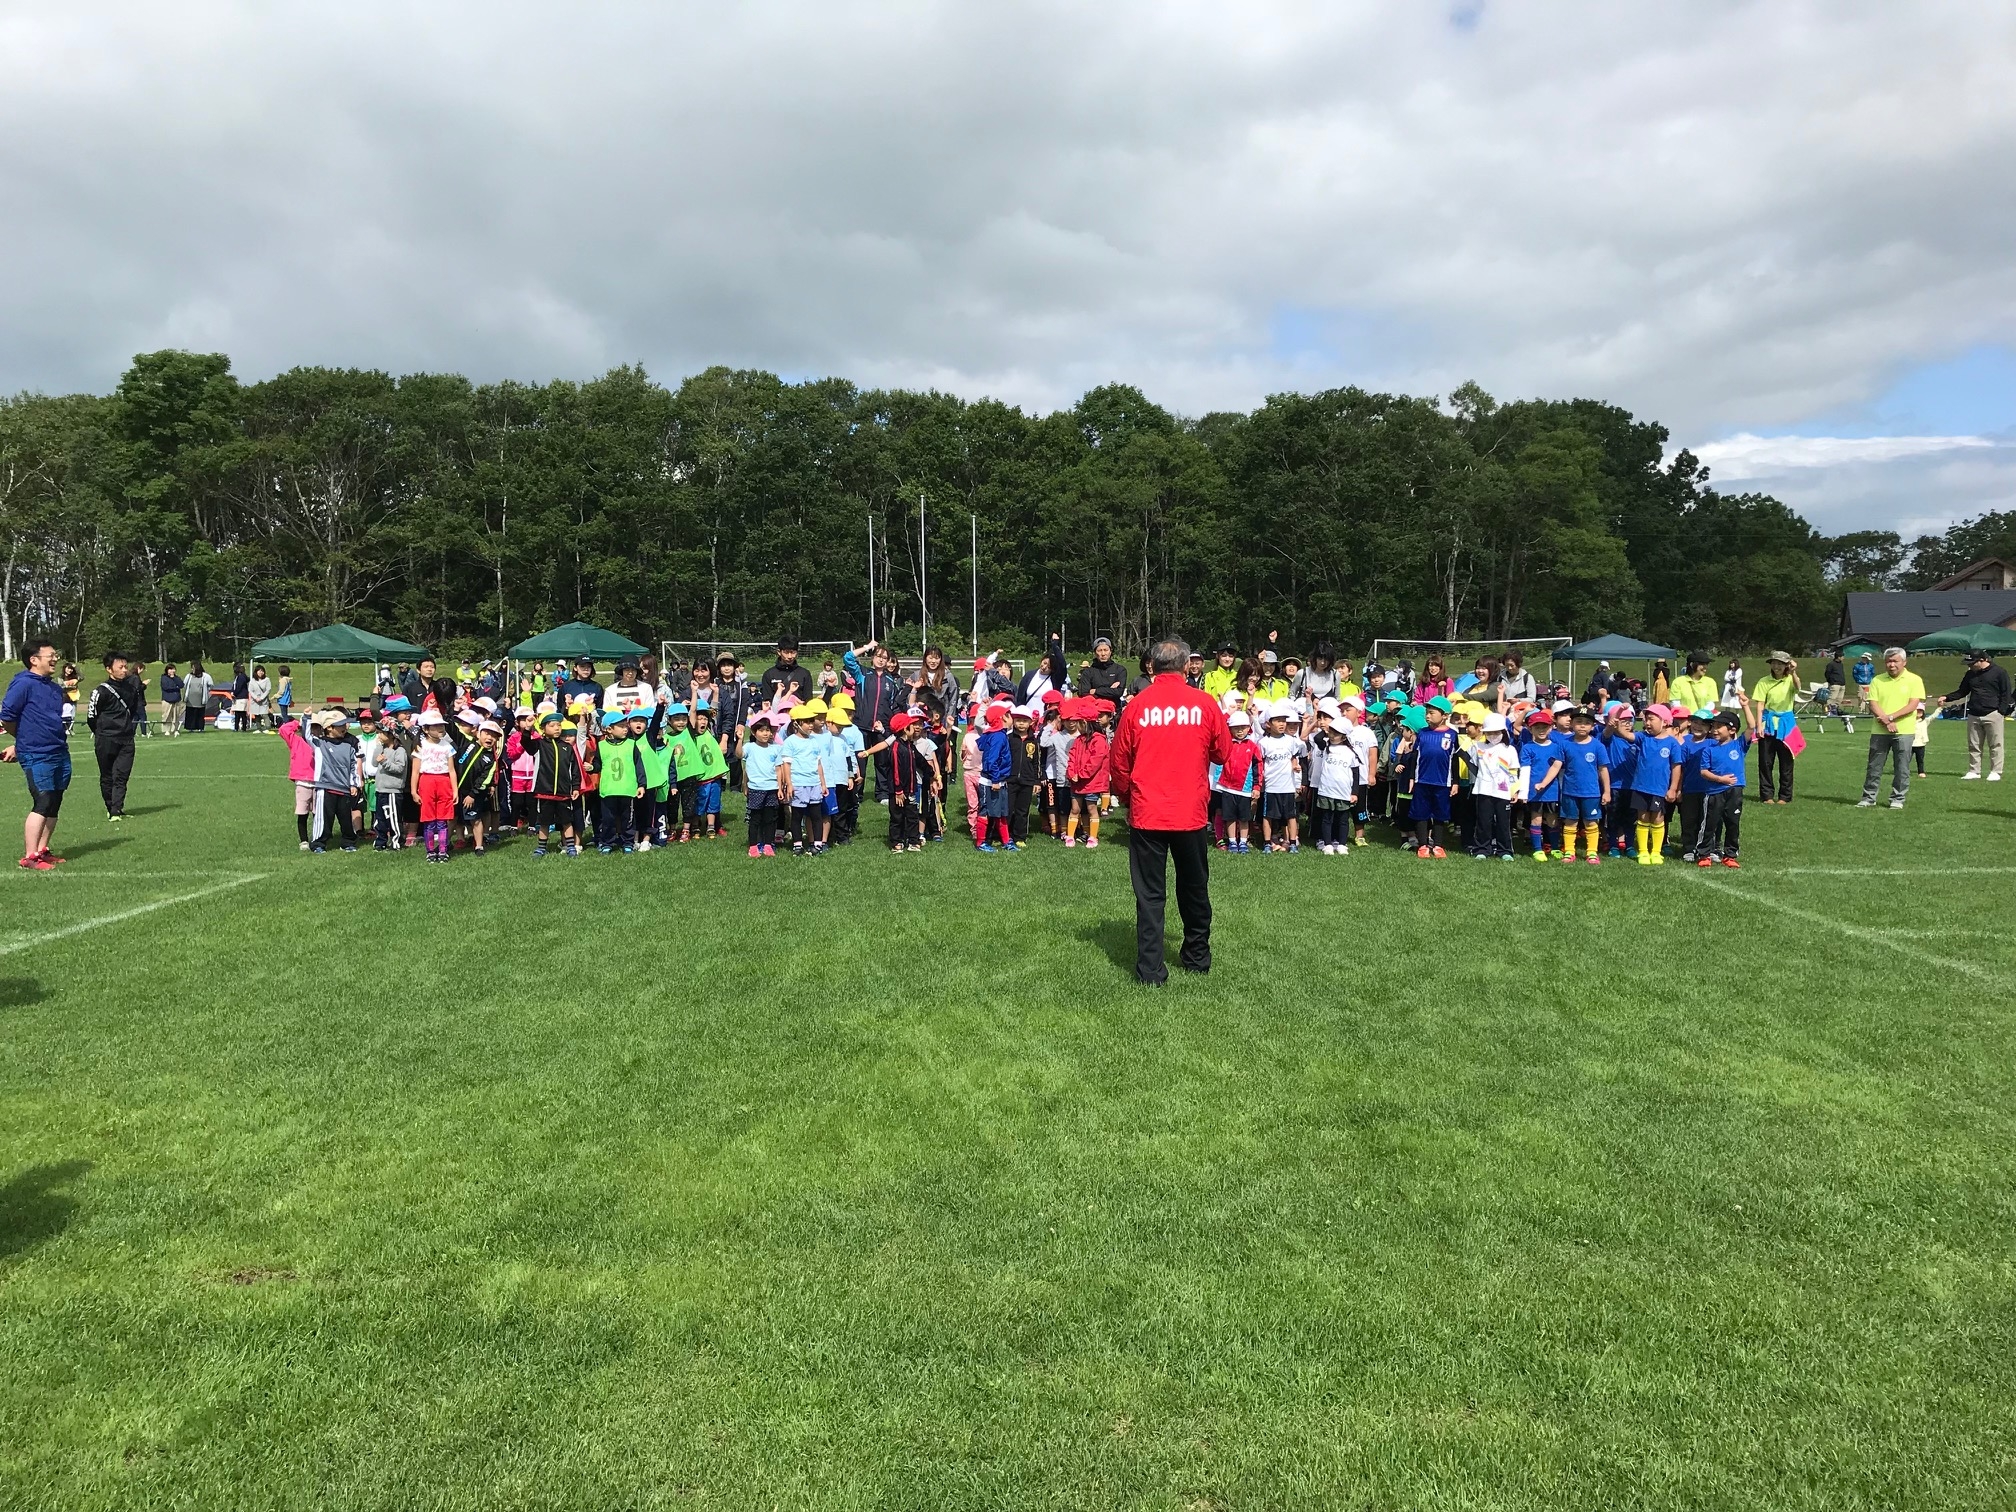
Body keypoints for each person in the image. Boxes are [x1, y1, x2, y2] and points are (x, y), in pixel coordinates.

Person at [1109, 637, 1232, 986]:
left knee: (1149, 894)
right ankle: (1196, 957)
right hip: (1190, 811)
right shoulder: (1204, 704)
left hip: (1148, 812)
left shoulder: (1136, 706)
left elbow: (1119, 762)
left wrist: (1127, 795)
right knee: (1194, 887)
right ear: (1185, 666)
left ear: (1151, 667)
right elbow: (1223, 752)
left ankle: (1150, 970)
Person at [1, 640, 72, 869]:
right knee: (42, 800)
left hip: (58, 750)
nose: (55, 659)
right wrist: (20, 742)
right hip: (36, 753)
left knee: (54, 801)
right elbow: (8, 717)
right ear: (34, 659)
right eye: (50, 655)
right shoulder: (23, 683)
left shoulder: (53, 687)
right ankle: (29, 857)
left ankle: (42, 850)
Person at [1858, 646, 1924, 810]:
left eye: (1895, 661)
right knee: (1874, 766)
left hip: (1904, 731)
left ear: (1904, 662)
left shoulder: (1914, 680)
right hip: (1880, 730)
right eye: (1888, 661)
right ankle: (1869, 797)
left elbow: (1913, 704)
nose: (1891, 665)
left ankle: (1897, 798)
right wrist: (1887, 722)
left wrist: (1892, 717)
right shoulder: (1877, 680)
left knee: (1902, 766)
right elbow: (1873, 703)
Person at [85, 652, 144, 820]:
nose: (125, 670)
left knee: (121, 775)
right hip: (106, 738)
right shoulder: (100, 691)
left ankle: (117, 810)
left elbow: (132, 710)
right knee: (107, 775)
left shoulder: (131, 689)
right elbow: (91, 716)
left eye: (126, 666)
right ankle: (110, 807)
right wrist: (102, 731)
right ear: (109, 669)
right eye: (121, 667)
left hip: (126, 739)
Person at [1944, 649, 2011, 781]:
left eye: (1972, 663)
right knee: (1974, 745)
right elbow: (1962, 691)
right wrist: (1946, 698)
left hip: (1993, 713)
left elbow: (2006, 693)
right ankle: (1974, 771)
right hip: (1974, 713)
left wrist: (2001, 711)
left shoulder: (1999, 672)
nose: (1970, 666)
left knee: (1995, 744)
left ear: (1982, 660)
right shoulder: (1970, 674)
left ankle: (1995, 772)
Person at [1692, 711, 1747, 866]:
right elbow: (1703, 772)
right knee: (1709, 823)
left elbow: (1751, 727)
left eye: (1718, 727)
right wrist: (1720, 779)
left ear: (1732, 730)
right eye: (1713, 726)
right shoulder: (1709, 750)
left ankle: (1730, 855)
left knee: (1732, 823)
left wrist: (1745, 706)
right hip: (1714, 792)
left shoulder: (1739, 745)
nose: (1714, 730)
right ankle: (1704, 854)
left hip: (1734, 791)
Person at [1748, 652, 1800, 803]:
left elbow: (1798, 687)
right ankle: (1767, 795)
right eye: (1774, 663)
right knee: (1765, 761)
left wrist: (1794, 671)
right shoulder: (1764, 681)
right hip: (1768, 723)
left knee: (1787, 762)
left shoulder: (1790, 679)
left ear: (1786, 665)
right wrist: (1759, 725)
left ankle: (1785, 796)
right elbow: (1760, 704)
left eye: (1780, 663)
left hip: (1786, 724)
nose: (1776, 666)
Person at [758, 635, 814, 709]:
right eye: (786, 652)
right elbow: (767, 702)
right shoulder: (769, 674)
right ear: (779, 652)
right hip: (777, 717)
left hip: (798, 716)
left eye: (793, 652)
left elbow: (808, 700)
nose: (790, 656)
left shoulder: (804, 674)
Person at [1080, 636, 1128, 710]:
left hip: (1114, 711)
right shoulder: (1088, 672)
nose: (1103, 654)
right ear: (1095, 653)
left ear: (1110, 651)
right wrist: (1109, 690)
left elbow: (1118, 692)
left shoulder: (1120, 670)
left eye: (1106, 650)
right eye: (1099, 650)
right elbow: (1084, 694)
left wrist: (1096, 690)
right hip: (1094, 711)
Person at [182, 660, 212, 733]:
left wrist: (206, 692)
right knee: (190, 713)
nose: (192, 669)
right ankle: (190, 727)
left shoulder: (205, 676)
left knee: (200, 713)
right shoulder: (189, 676)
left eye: (193, 668)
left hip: (201, 699)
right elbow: (184, 684)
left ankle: (200, 727)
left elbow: (211, 685)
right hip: (190, 699)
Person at [157, 663, 184, 739]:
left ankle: (175, 729)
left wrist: (174, 678)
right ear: (167, 670)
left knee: (176, 716)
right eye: (170, 669)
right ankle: (166, 730)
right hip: (167, 699)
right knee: (166, 715)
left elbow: (181, 685)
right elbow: (166, 687)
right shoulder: (164, 678)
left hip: (176, 699)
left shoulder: (176, 678)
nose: (172, 671)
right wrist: (175, 687)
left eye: (173, 669)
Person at [247, 664, 272, 732]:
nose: (261, 672)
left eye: (262, 671)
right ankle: (259, 728)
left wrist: (261, 697)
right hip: (255, 701)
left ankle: (267, 728)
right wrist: (255, 698)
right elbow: (250, 690)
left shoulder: (267, 680)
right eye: (259, 671)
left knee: (264, 714)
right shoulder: (252, 681)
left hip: (263, 700)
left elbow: (268, 690)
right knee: (257, 714)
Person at [231, 662, 251, 733]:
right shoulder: (238, 677)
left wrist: (234, 693)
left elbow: (238, 687)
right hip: (238, 698)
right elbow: (235, 686)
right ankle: (237, 727)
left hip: (241, 697)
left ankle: (243, 727)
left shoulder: (241, 677)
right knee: (238, 713)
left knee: (242, 714)